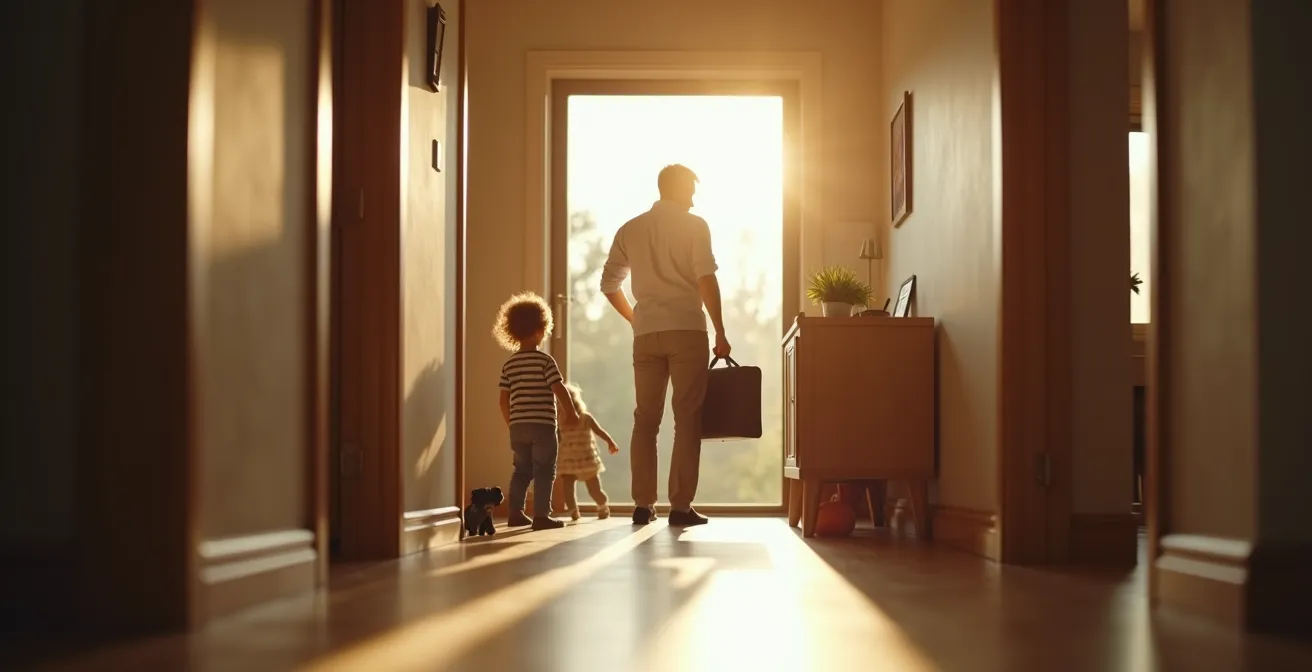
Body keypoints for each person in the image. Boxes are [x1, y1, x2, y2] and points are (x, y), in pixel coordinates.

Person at [599, 164, 730, 527]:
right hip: (686, 329)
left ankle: (642, 505)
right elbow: (705, 277)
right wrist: (720, 329)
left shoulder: (631, 228)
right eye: (690, 187)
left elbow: (610, 283)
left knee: (646, 419)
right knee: (687, 418)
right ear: (675, 187)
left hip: (647, 334)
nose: (693, 196)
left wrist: (634, 319)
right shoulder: (695, 225)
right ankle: (680, 507)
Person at [493, 291, 580, 530]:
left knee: (521, 469)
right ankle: (541, 515)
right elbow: (559, 389)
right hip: (542, 426)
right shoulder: (545, 361)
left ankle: (515, 512)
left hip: (518, 427)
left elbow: (503, 399)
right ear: (541, 330)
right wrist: (571, 413)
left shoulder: (509, 364)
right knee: (544, 470)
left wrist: (512, 423)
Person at [554, 382, 620, 520]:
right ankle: (574, 510)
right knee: (569, 488)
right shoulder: (560, 420)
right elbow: (556, 437)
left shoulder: (585, 418)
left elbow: (599, 431)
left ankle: (602, 505)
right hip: (569, 459)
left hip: (584, 459)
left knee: (593, 488)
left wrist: (610, 441)